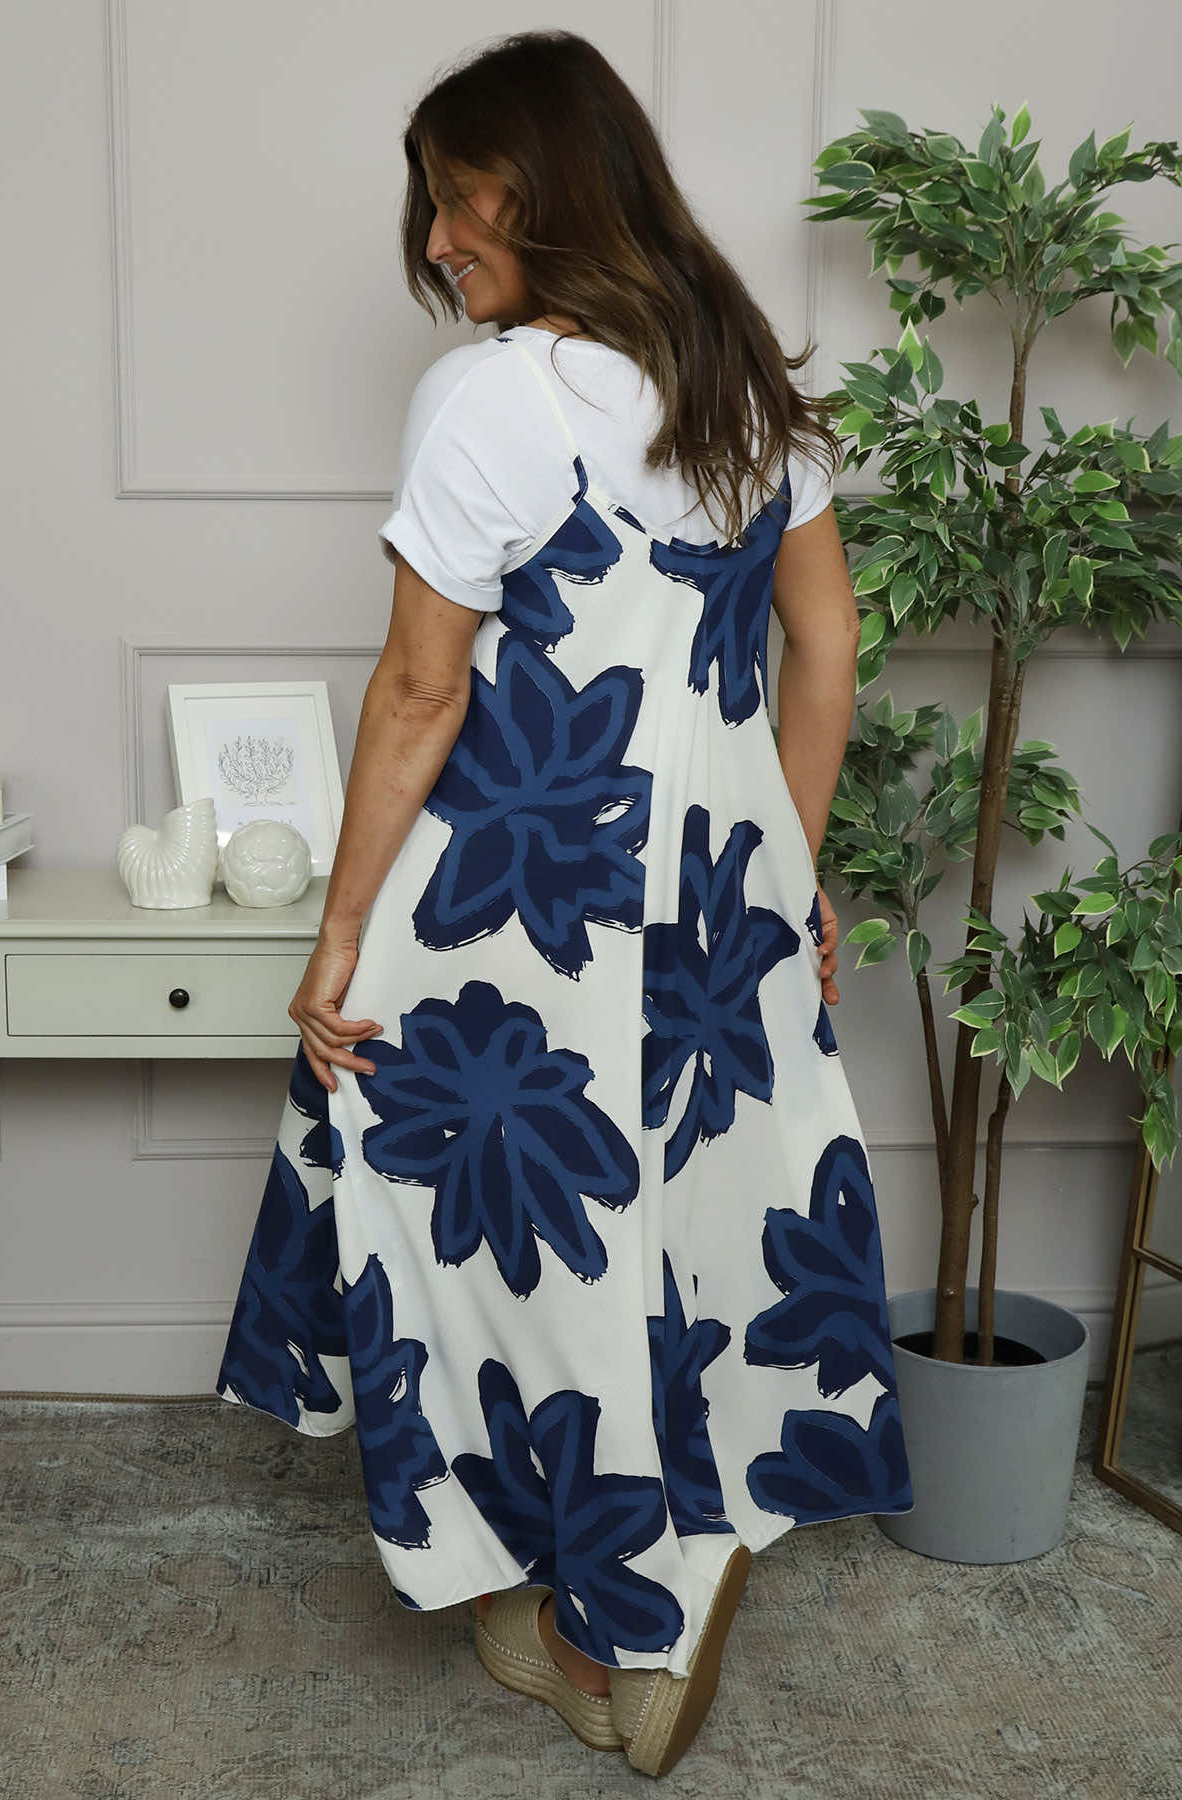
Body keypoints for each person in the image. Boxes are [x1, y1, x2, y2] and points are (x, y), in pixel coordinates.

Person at [215, 28, 914, 1779]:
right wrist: (781, 871)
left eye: (462, 200)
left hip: (522, 904)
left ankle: (604, 1613)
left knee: (495, 1241)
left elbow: (419, 693)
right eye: (431, 206)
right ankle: (651, 1584)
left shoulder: (499, 397)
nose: (437, 241)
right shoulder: (743, 385)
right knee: (676, 1230)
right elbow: (825, 648)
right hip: (712, 909)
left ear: (550, 188)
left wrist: (336, 935)